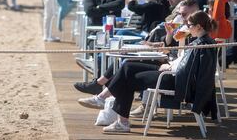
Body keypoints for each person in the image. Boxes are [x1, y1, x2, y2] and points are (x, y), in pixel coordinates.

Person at [81, 11, 218, 134]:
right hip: (171, 72)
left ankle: (115, 114)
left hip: (172, 78)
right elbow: (185, 63)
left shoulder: (201, 45)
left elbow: (188, 71)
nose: (187, 28)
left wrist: (170, 68)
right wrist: (173, 59)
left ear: (199, 27)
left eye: (189, 25)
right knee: (128, 65)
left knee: (128, 78)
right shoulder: (201, 42)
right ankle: (105, 102)